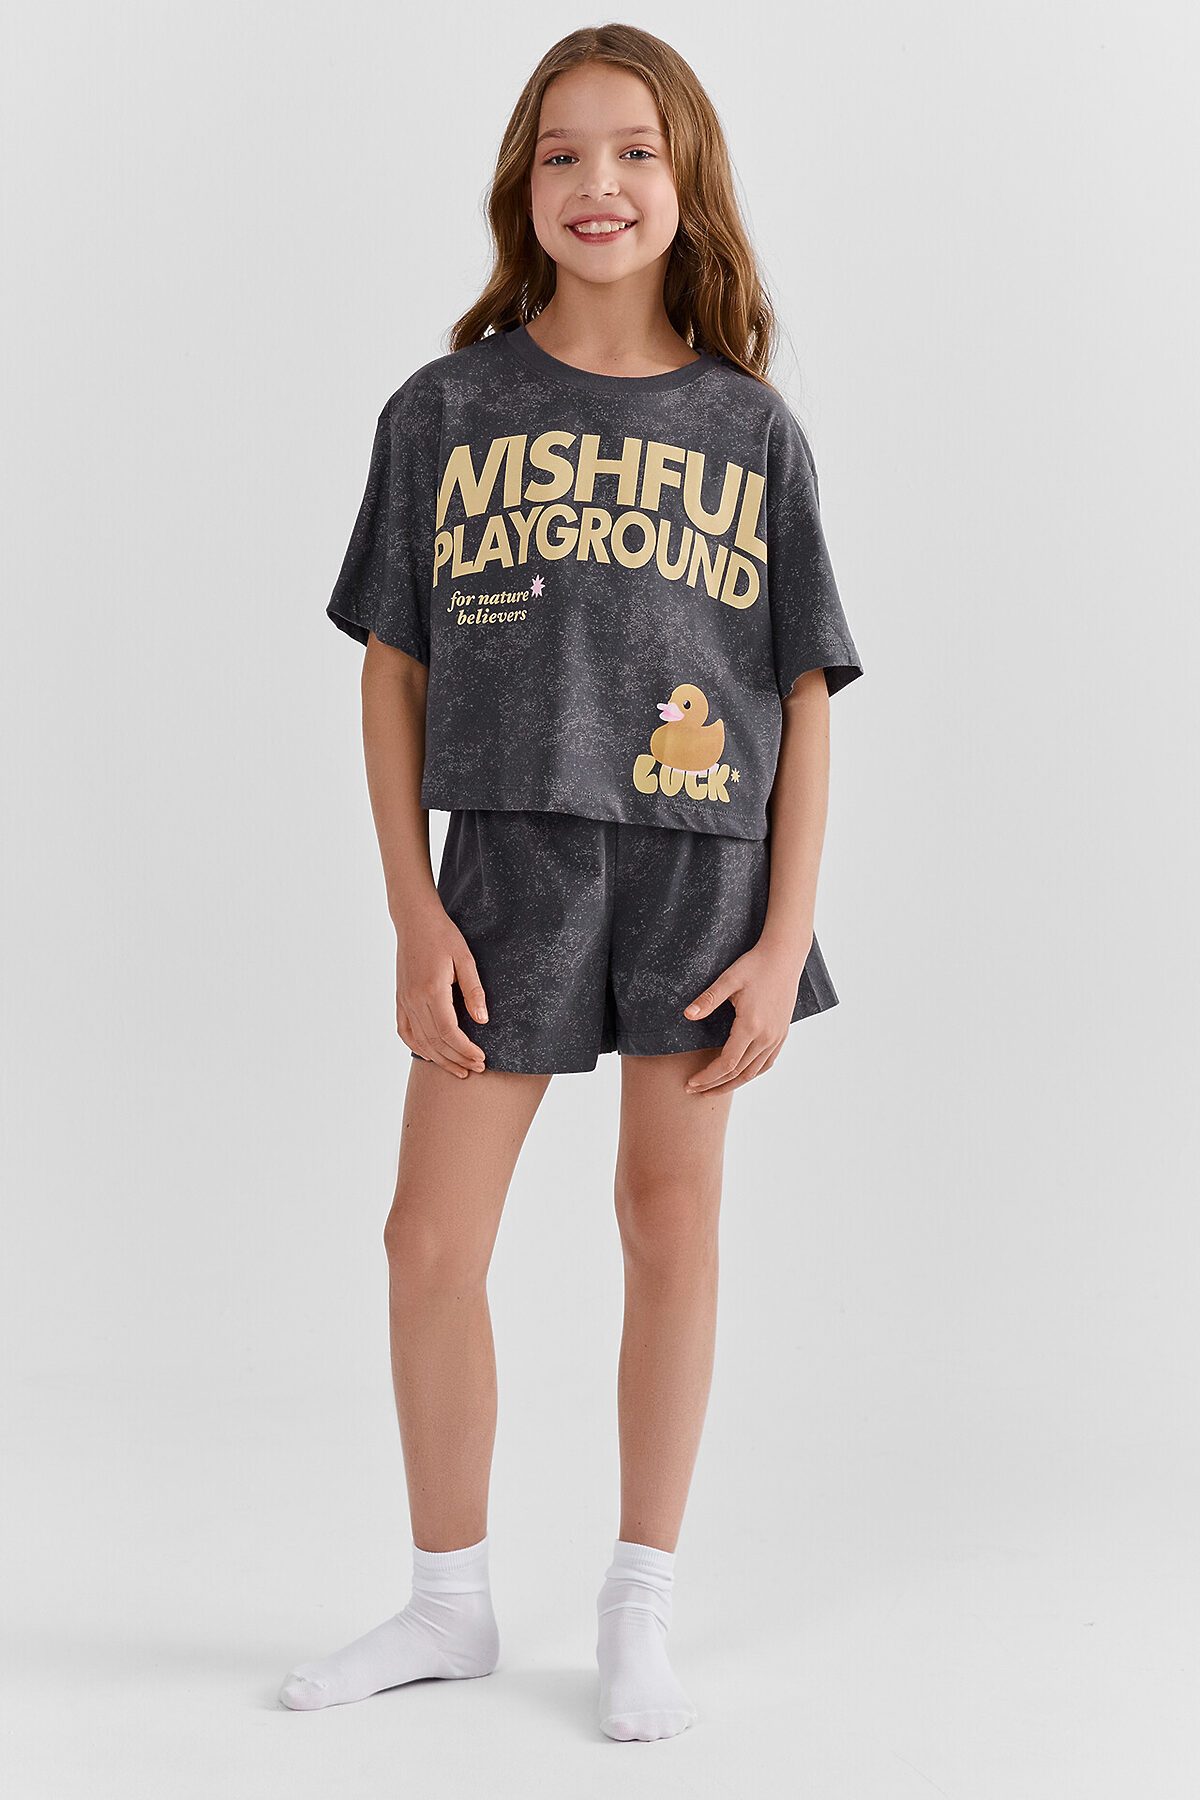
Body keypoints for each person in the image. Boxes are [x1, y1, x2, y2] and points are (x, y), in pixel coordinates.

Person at [279, 23, 864, 1743]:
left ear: (687, 187)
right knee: (428, 1238)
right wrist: (412, 907)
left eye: (633, 152)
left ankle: (639, 1601)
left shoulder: (749, 429)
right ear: (522, 187)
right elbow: (392, 668)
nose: (596, 183)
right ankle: (447, 1601)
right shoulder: (446, 410)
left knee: (669, 1225)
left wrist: (784, 935)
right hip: (507, 862)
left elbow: (805, 692)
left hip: (701, 872)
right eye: (561, 153)